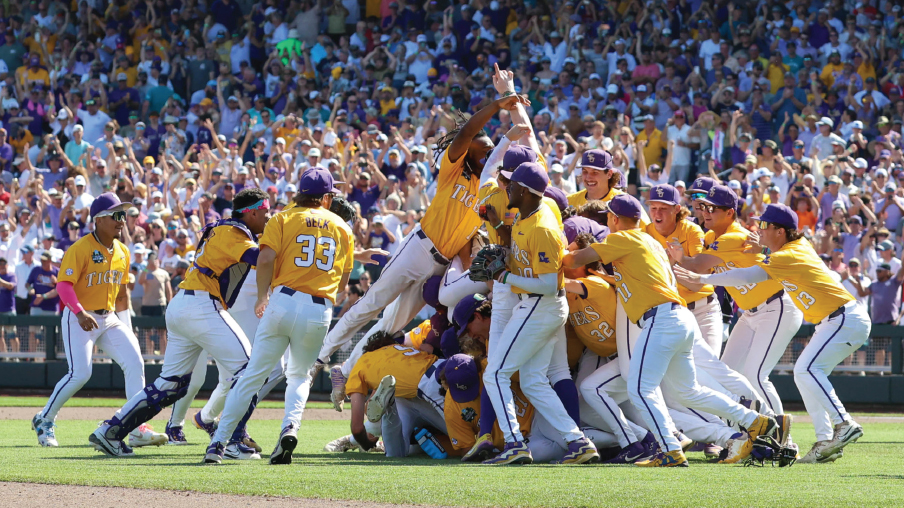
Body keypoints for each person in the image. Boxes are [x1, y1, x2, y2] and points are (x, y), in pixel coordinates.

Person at [316, 95, 525, 409]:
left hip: (439, 265)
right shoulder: (454, 170)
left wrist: (508, 137)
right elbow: (468, 132)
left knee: (392, 324)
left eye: (489, 151)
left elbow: (498, 158)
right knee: (371, 305)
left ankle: (343, 372)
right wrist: (496, 107)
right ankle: (322, 353)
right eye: (480, 149)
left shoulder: (488, 188)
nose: (486, 153)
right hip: (419, 247)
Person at [564, 194, 776, 467]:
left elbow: (574, 260)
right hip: (679, 318)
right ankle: (754, 420)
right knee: (689, 392)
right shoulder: (649, 241)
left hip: (660, 319)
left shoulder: (623, 238)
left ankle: (669, 448)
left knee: (640, 389)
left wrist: (550, 251)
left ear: (614, 219)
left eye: (609, 217)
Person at [675, 203, 870, 464]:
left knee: (805, 371)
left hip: (843, 319)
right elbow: (768, 259)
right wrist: (764, 248)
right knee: (806, 374)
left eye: (765, 225)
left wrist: (702, 280)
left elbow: (747, 275)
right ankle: (826, 440)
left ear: (780, 231)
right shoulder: (792, 248)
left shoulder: (785, 256)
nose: (759, 229)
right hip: (835, 320)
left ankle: (843, 423)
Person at [88, 188, 271, 458]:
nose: (268, 218)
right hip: (202, 305)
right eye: (265, 213)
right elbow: (260, 259)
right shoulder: (233, 232)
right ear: (252, 212)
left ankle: (110, 430)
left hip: (186, 305)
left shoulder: (228, 230)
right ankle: (233, 441)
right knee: (249, 369)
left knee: (169, 384)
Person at [205, 167, 354, 465]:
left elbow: (266, 257)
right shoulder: (342, 226)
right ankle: (290, 427)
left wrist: (263, 296)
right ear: (326, 198)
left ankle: (219, 443)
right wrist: (328, 302)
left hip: (283, 301)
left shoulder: (283, 217)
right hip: (319, 307)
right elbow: (345, 276)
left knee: (252, 377)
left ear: (299, 193)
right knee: (299, 375)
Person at [480, 162, 599, 465]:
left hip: (540, 304)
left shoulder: (543, 225)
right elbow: (526, 261)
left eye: (512, 184)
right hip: (537, 304)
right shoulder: (529, 211)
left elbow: (547, 284)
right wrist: (503, 255)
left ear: (525, 191)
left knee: (495, 373)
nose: (506, 187)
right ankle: (578, 441)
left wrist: (505, 277)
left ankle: (514, 444)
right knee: (533, 381)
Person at [33, 193, 161, 449]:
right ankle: (44, 419)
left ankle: (135, 427)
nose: (122, 220)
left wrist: (127, 326)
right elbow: (64, 286)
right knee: (80, 373)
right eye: (116, 215)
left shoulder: (123, 251)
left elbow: (123, 294)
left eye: (123, 215)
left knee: (135, 361)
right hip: (79, 317)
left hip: (110, 318)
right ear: (99, 219)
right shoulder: (80, 248)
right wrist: (80, 312)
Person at [667, 185, 802, 421]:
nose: (706, 212)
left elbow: (698, 266)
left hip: (777, 306)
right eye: (704, 207)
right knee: (726, 375)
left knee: (756, 375)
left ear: (730, 213)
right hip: (750, 314)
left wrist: (680, 258)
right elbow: (698, 278)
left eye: (713, 208)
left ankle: (782, 437)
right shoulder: (711, 236)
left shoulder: (734, 237)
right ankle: (743, 436)